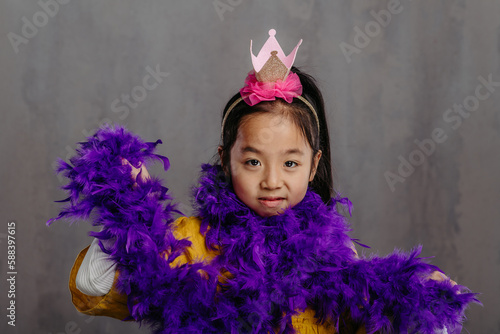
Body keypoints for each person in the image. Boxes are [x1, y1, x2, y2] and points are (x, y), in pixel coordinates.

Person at [48, 30, 478, 334]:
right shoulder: (188, 241)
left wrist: (418, 301)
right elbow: (94, 287)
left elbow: (368, 320)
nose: (272, 181)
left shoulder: (333, 254)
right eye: (253, 161)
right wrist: (130, 212)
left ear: (314, 167)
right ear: (225, 160)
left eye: (290, 164)